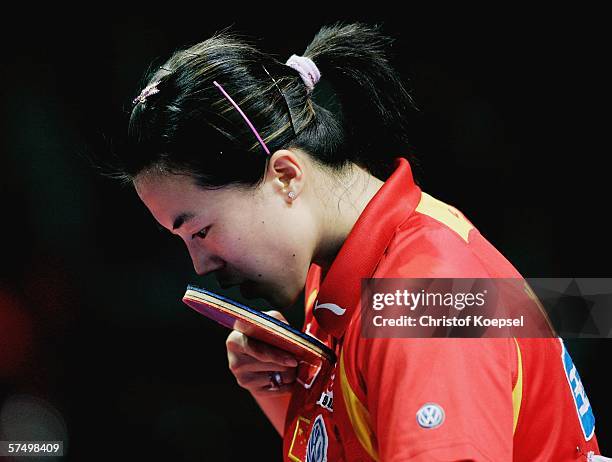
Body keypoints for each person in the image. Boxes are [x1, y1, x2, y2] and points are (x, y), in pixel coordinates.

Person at [114, 22, 604, 461]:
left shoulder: (421, 296)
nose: (199, 262)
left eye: (200, 230)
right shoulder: (342, 283)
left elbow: (582, 308)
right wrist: (278, 392)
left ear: (285, 175)